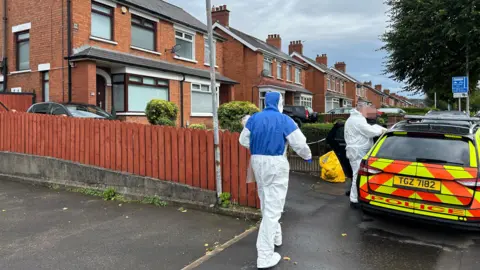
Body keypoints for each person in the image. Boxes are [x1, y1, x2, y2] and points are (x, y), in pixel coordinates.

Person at [239, 92, 311, 269]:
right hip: (276, 163)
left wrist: (258, 147)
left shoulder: (254, 118)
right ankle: (264, 256)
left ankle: (276, 236)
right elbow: (300, 143)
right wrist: (307, 156)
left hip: (257, 161)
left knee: (266, 201)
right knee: (274, 208)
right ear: (279, 103)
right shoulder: (285, 120)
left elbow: (243, 140)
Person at [344, 105, 386, 206]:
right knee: (357, 175)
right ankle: (354, 200)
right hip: (357, 152)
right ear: (363, 111)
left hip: (356, 151)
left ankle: (356, 196)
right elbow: (371, 132)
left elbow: (367, 129)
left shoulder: (355, 118)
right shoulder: (358, 120)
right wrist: (382, 130)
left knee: (357, 174)